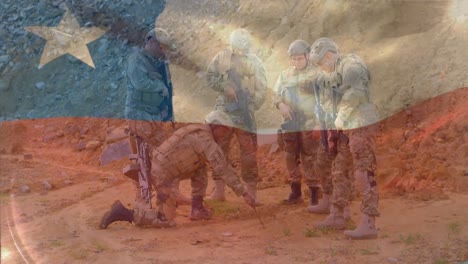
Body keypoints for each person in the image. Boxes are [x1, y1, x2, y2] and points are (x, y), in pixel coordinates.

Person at [99, 111, 256, 229]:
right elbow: (223, 168)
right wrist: (244, 192)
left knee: (200, 167)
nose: (225, 134)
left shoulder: (197, 129)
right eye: (225, 130)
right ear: (216, 126)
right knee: (165, 221)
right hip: (161, 175)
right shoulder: (206, 140)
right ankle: (125, 213)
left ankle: (197, 208)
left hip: (164, 168)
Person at [309, 37, 380, 239]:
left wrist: (340, 117)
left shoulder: (351, 65)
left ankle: (369, 223)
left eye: (321, 62)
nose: (322, 67)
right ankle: (338, 214)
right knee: (339, 170)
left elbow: (355, 93)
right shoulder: (335, 71)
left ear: (329, 55)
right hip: (347, 126)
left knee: (364, 173)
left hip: (361, 122)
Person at [125, 28, 190, 205]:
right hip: (140, 116)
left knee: (168, 155)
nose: (163, 50)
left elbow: (169, 91)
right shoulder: (136, 59)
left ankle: (172, 194)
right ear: (151, 42)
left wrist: (170, 114)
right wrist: (159, 87)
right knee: (142, 159)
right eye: (161, 46)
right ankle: (142, 197)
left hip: (158, 116)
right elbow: (139, 82)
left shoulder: (160, 64)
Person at [205, 28, 267, 204]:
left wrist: (253, 105)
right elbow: (210, 77)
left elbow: (262, 87)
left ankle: (252, 192)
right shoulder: (221, 58)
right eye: (238, 47)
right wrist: (225, 86)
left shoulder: (255, 62)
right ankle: (219, 191)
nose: (241, 51)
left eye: (244, 47)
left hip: (244, 113)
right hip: (224, 113)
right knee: (219, 151)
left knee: (248, 153)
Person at [273, 40, 333, 207]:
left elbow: (326, 99)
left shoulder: (317, 74)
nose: (296, 62)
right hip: (291, 121)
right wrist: (280, 104)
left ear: (307, 56)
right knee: (290, 155)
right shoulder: (285, 74)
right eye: (293, 59)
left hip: (309, 122)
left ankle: (315, 193)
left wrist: (318, 123)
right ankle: (295, 191)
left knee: (309, 157)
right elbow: (275, 94)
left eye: (299, 58)